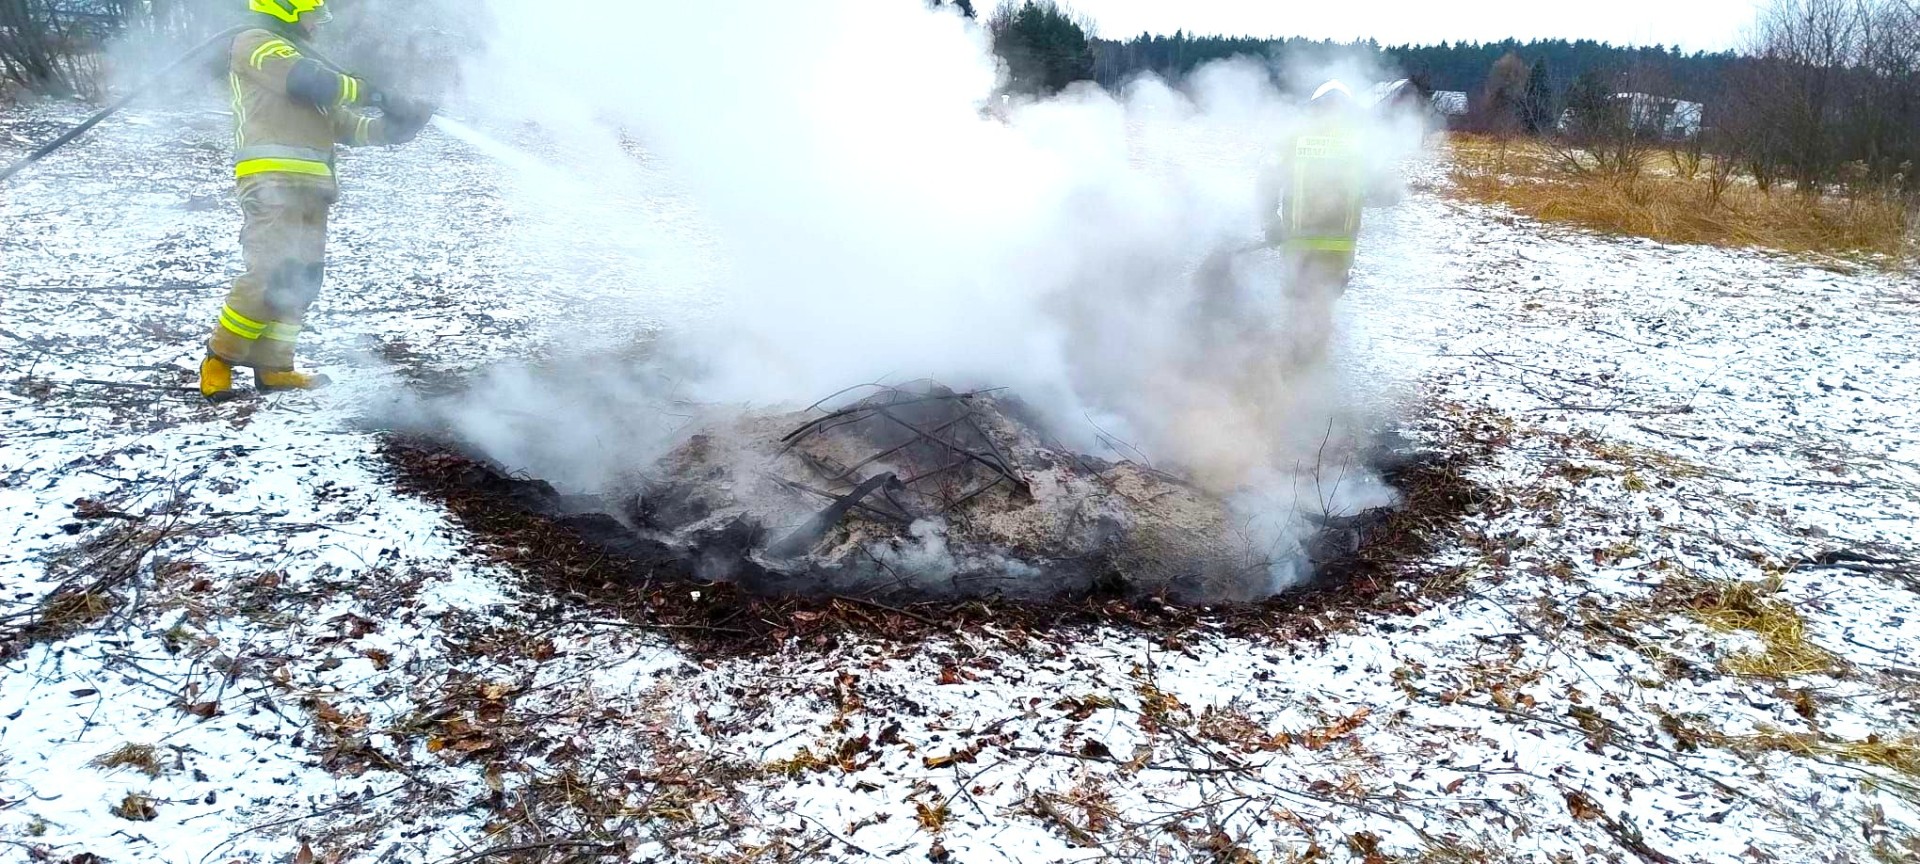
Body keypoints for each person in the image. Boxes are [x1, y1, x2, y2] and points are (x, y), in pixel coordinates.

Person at [198, 0, 434, 401]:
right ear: (286, 8)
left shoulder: (306, 64)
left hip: (313, 189)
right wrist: (375, 91)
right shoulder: (256, 43)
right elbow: (307, 80)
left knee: (301, 278)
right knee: (269, 272)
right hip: (271, 182)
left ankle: (275, 367)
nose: (317, 25)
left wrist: (398, 126)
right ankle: (219, 359)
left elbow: (347, 124)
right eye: (312, 14)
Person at [1263, 80, 1366, 373]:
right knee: (1321, 311)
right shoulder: (1360, 143)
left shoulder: (1294, 139)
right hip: (1338, 250)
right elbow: (1385, 189)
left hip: (1298, 245)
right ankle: (1308, 379)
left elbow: (1268, 181)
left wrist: (1271, 222)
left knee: (1298, 307)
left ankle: (1290, 377)